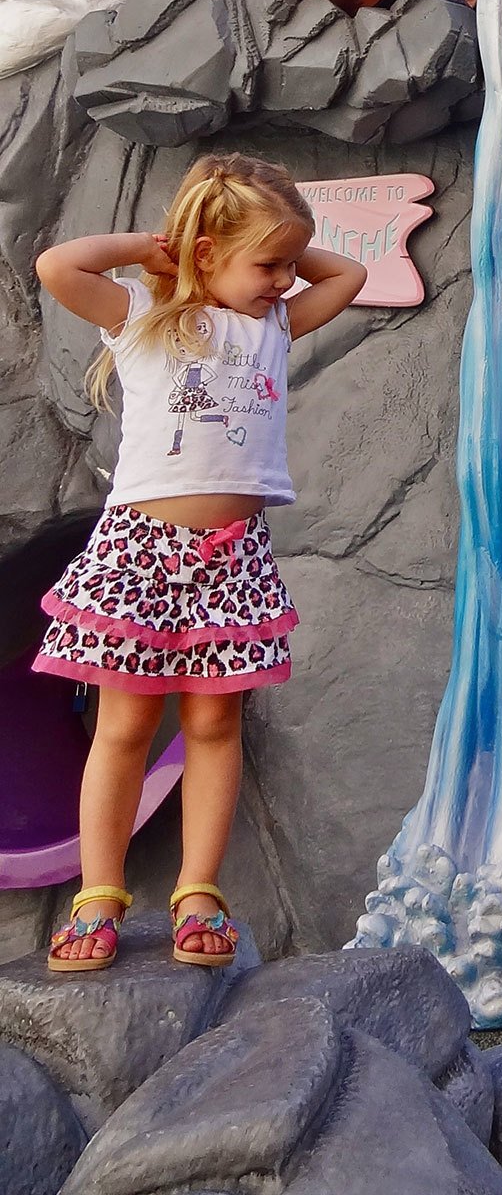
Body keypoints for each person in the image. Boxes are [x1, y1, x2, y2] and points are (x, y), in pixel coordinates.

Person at [34, 153, 364, 973]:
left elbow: (348, 272)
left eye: (291, 264)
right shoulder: (142, 309)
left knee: (216, 724)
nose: (287, 280)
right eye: (269, 263)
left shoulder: (275, 324)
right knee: (125, 726)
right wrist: (164, 248)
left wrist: (278, 248)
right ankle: (100, 894)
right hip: (139, 552)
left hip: (234, 558)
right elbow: (57, 265)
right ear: (207, 254)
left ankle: (197, 891)